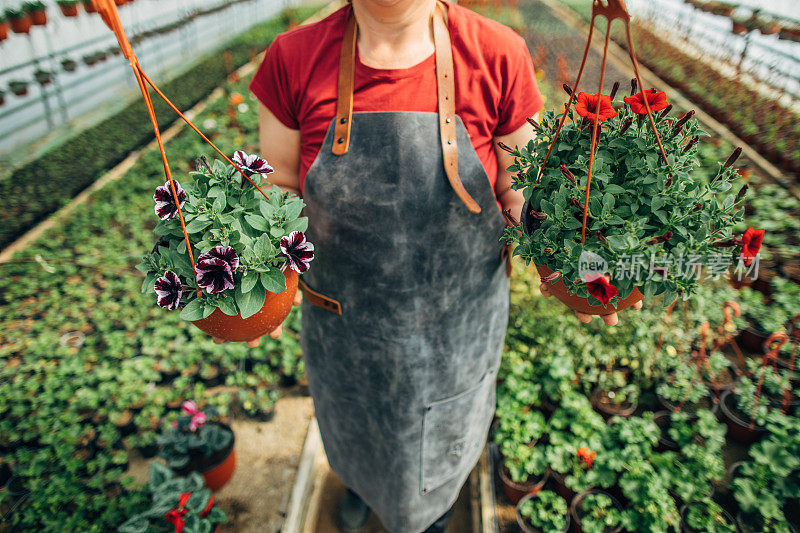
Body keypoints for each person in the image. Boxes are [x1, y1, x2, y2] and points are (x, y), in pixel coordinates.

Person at [218, 0, 640, 531]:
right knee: (354, 428)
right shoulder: (293, 58)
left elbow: (524, 188)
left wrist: (572, 261)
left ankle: (433, 513)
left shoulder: (496, 53)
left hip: (455, 329)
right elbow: (278, 183)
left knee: (438, 457)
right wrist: (256, 284)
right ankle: (358, 487)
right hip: (346, 325)